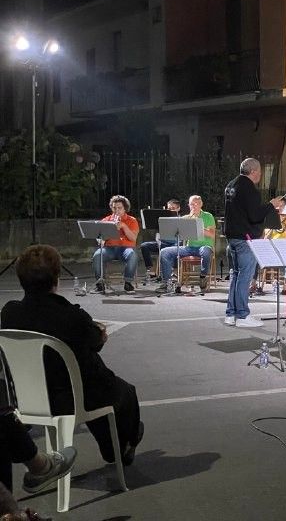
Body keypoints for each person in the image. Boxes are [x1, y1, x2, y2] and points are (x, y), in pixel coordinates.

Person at [1, 245, 143, 467]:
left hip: (29, 397)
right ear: (56, 278)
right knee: (124, 392)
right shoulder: (72, 315)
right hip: (70, 398)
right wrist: (101, 334)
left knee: (95, 389)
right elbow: (96, 342)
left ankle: (115, 447)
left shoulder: (10, 312)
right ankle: (121, 447)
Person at [223, 158, 283, 328]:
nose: (260, 175)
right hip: (245, 238)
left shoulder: (231, 185)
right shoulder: (249, 188)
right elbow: (255, 215)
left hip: (232, 236)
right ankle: (242, 315)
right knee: (244, 276)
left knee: (236, 275)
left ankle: (231, 314)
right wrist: (271, 205)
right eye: (260, 172)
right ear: (254, 171)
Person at [157, 195, 216, 292]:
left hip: (204, 246)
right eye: (191, 204)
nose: (193, 206)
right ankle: (166, 282)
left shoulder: (208, 216)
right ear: (189, 205)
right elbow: (179, 234)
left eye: (196, 204)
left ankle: (203, 276)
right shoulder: (186, 218)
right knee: (164, 252)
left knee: (205, 251)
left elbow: (212, 234)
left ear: (201, 204)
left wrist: (196, 223)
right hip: (189, 247)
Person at [91, 195, 139, 294]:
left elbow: (133, 238)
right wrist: (102, 239)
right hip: (110, 248)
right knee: (97, 255)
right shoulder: (106, 220)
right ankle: (100, 284)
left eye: (119, 208)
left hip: (126, 248)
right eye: (114, 208)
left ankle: (128, 282)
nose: (116, 210)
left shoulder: (132, 220)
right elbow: (99, 237)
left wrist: (124, 226)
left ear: (125, 208)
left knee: (133, 255)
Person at [139, 199, 181, 279]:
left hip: (175, 243)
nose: (170, 210)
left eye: (173, 208)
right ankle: (151, 269)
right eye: (169, 208)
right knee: (144, 246)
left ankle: (174, 271)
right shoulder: (162, 219)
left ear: (178, 209)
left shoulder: (181, 219)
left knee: (177, 248)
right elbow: (158, 234)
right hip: (163, 243)